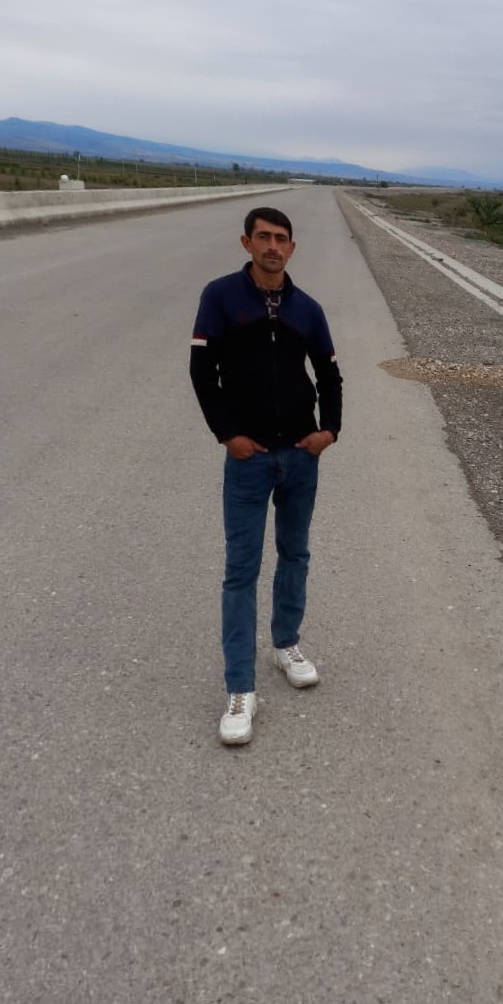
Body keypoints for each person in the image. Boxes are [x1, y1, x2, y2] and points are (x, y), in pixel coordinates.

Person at [190, 206, 343, 746]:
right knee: (241, 570)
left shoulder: (308, 308)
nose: (273, 246)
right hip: (248, 459)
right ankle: (240, 688)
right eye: (263, 237)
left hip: (300, 455)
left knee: (295, 554)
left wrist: (329, 431)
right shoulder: (221, 297)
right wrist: (226, 435)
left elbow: (329, 372)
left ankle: (286, 644)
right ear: (247, 242)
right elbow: (201, 372)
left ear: (291, 248)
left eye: (281, 239)